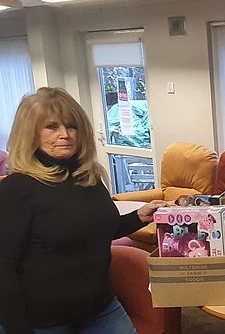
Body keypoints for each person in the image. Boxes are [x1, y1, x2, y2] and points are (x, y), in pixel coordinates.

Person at [0, 87, 166, 334]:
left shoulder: (88, 177)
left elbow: (99, 230)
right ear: (30, 133)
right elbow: (4, 266)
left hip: (100, 308)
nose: (65, 135)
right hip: (43, 320)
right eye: (52, 127)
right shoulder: (17, 188)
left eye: (71, 126)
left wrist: (141, 216)